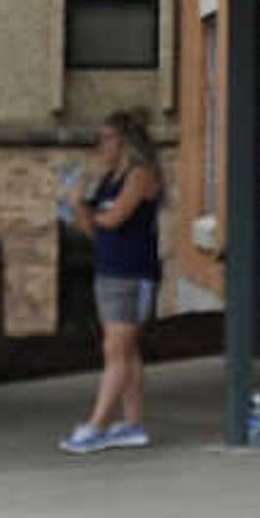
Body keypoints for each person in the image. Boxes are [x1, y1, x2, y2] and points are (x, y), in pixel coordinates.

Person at [64, 111, 164, 454]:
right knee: (127, 351)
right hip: (108, 270)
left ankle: (97, 425)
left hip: (133, 274)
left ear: (124, 141)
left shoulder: (141, 175)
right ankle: (132, 425)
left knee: (116, 351)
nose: (101, 145)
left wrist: (88, 210)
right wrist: (77, 204)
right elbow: (93, 228)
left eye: (106, 138)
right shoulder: (109, 178)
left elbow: (114, 217)